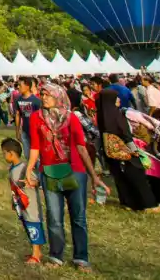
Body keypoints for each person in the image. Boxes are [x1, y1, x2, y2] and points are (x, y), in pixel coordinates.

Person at [25, 81, 106, 272]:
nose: (44, 97)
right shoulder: (36, 117)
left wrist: (94, 175)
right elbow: (35, 146)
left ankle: (81, 258)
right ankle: (56, 256)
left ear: (58, 96)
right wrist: (29, 169)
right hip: (49, 171)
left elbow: (81, 147)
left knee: (78, 216)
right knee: (54, 216)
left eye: (47, 94)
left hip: (75, 171)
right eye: (42, 94)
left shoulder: (71, 118)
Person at [96, 88, 160, 212]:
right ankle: (149, 205)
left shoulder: (102, 115)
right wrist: (134, 150)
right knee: (137, 176)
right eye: (116, 98)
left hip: (111, 152)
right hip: (126, 151)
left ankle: (127, 202)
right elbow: (126, 135)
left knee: (120, 177)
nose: (119, 100)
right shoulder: (117, 115)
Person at [3, 137, 45, 265]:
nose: (4, 156)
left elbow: (37, 181)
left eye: (4, 153)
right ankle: (37, 252)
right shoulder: (12, 168)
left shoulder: (25, 168)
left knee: (33, 226)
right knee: (27, 226)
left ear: (11, 154)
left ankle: (36, 255)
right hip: (21, 204)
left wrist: (32, 182)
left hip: (31, 204)